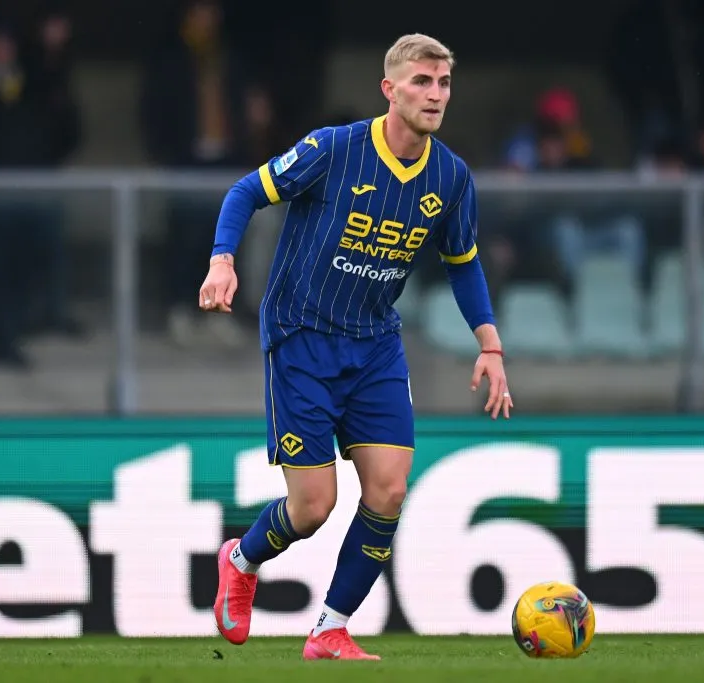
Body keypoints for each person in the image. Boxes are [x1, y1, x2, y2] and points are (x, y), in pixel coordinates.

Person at [197, 33, 513, 661]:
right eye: (421, 81)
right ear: (389, 89)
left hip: (374, 344)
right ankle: (242, 557)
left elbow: (463, 262)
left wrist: (490, 344)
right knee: (314, 506)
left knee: (389, 489)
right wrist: (222, 259)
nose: (435, 94)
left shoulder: (450, 176)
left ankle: (329, 629)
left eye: (443, 83)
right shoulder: (332, 149)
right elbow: (245, 192)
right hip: (302, 338)